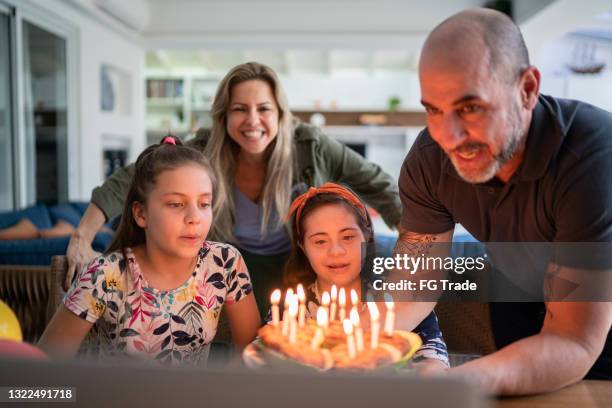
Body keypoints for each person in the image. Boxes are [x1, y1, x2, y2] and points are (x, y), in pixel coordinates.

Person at [66, 62, 401, 317]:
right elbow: (129, 179)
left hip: (295, 269)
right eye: (239, 109)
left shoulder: (310, 145)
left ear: (281, 114)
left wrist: (416, 248)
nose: (252, 121)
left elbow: (381, 188)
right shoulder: (201, 150)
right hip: (230, 271)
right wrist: (81, 237)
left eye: (264, 109)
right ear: (223, 116)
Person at [393, 7, 612, 395]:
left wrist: (454, 385)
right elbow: (413, 288)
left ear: (527, 89)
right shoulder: (430, 159)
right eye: (434, 110)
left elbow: (574, 339)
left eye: (470, 108)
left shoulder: (592, 158)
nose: (449, 136)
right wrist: (343, 341)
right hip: (518, 300)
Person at [38, 136, 260, 364]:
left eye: (204, 204)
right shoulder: (104, 276)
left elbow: (252, 356)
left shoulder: (224, 263)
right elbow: (41, 372)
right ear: (141, 214)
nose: (195, 218)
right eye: (176, 204)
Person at [278, 182, 448, 372]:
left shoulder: (399, 301)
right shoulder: (291, 306)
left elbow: (435, 363)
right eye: (320, 241)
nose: (336, 251)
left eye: (348, 237)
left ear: (366, 236)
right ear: (303, 247)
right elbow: (264, 362)